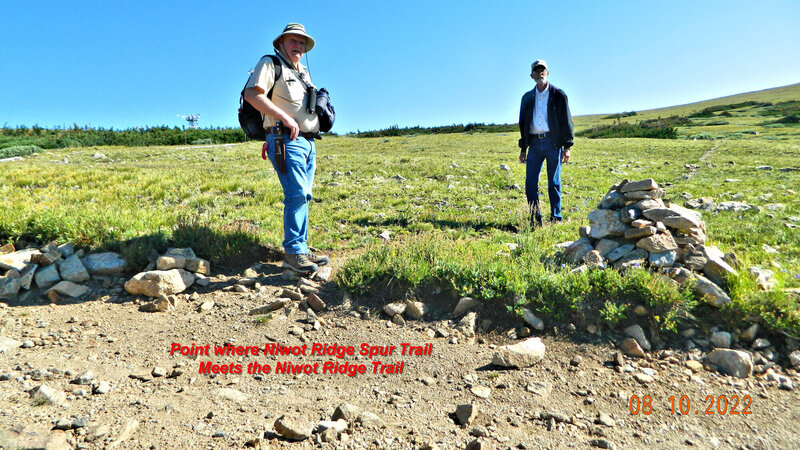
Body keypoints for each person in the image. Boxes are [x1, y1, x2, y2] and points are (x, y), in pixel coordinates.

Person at [243, 23, 330, 273]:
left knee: (304, 195)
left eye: (301, 43)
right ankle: (293, 253)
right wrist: (285, 119)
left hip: (307, 142)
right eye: (293, 41)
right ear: (281, 42)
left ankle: (300, 248)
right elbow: (252, 94)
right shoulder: (271, 63)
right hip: (285, 140)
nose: (298, 46)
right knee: (297, 194)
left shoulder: (302, 71)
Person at [518, 59, 574, 227]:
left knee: (554, 182)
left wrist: (567, 147)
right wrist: (523, 149)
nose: (540, 73)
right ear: (532, 75)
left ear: (548, 73)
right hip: (534, 144)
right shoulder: (527, 98)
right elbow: (523, 123)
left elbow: (566, 120)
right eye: (537, 70)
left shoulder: (558, 94)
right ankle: (536, 220)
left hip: (553, 143)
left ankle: (556, 218)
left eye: (543, 70)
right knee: (530, 184)